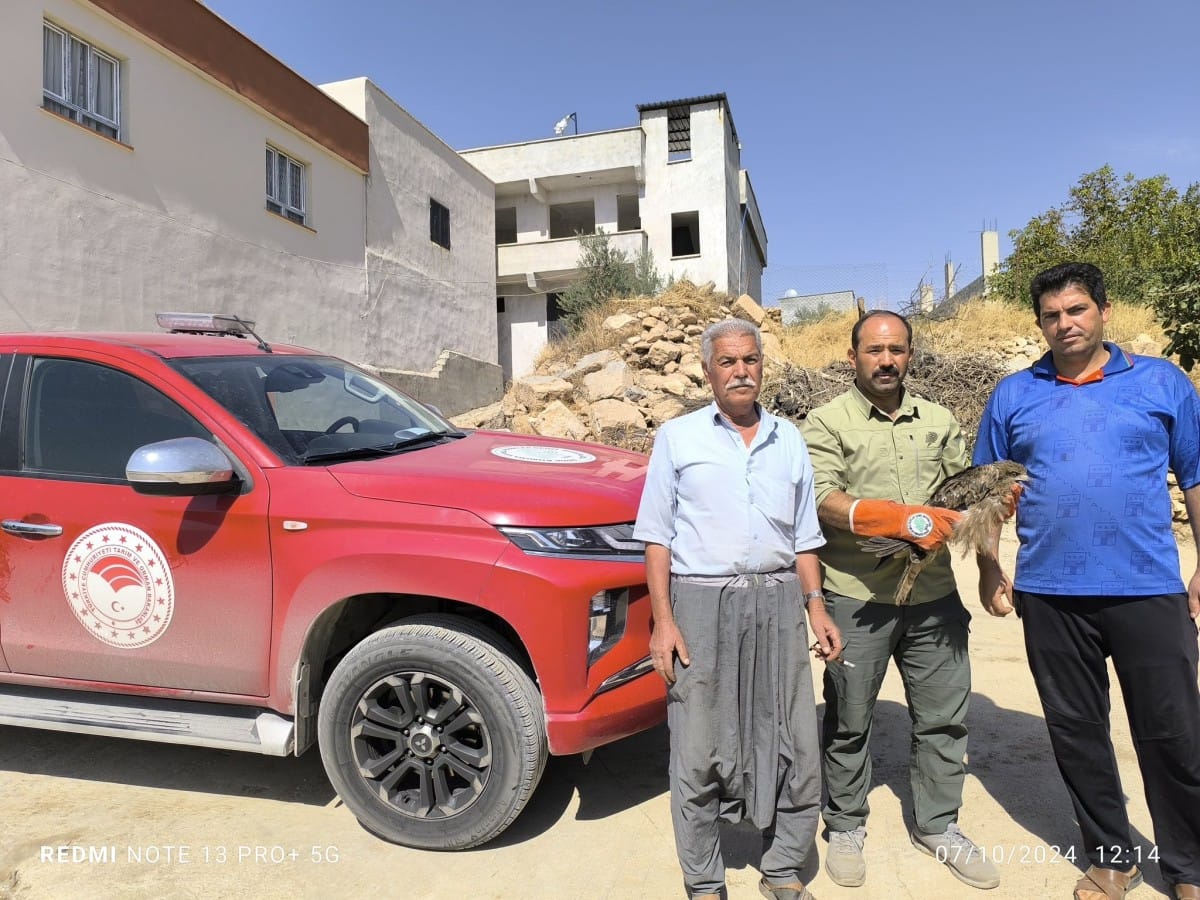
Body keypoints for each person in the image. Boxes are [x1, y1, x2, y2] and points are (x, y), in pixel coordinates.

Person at [974, 261, 1200, 900]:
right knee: (1076, 730)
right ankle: (1111, 856)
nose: (1064, 324)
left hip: (1147, 587)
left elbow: (1195, 474)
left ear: (1102, 311)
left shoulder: (1160, 382)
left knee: (1174, 731)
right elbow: (990, 492)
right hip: (1049, 592)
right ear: (1039, 323)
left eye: (1076, 310)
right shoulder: (1015, 395)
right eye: (1051, 315)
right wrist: (993, 566)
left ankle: (1188, 866)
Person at [634, 317, 842, 900]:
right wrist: (664, 621)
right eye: (727, 362)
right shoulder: (678, 437)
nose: (740, 371)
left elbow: (804, 538)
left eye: (750, 360)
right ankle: (703, 880)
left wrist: (816, 607)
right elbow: (657, 537)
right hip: (701, 601)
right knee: (699, 744)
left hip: (778, 600)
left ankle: (781, 871)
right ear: (708, 372)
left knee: (796, 739)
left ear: (762, 367)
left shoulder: (789, 439)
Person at [800, 310, 1000, 891]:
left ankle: (938, 826)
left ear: (911, 354)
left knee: (943, 717)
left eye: (896, 350)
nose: (886, 361)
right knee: (849, 717)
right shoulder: (826, 421)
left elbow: (971, 501)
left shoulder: (937, 421)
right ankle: (845, 824)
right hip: (855, 596)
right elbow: (822, 499)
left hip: (935, 596)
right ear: (852, 356)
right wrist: (898, 518)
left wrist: (991, 569)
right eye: (873, 350)